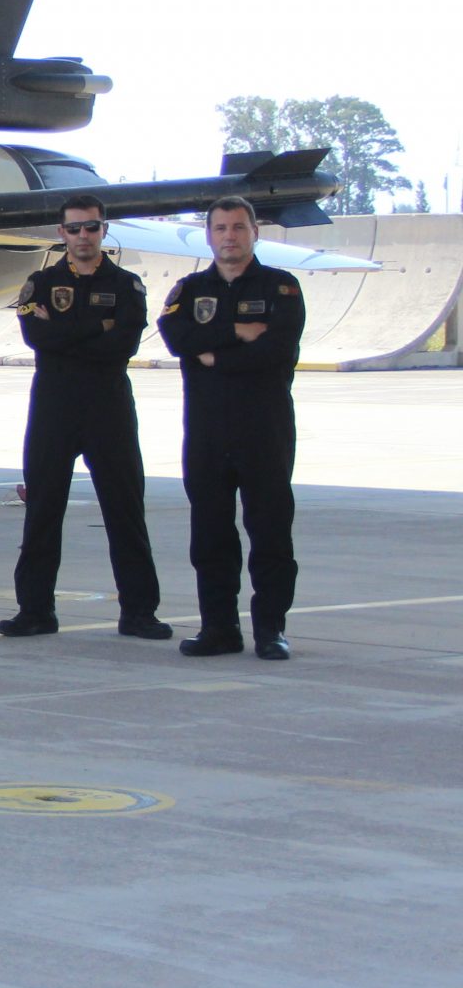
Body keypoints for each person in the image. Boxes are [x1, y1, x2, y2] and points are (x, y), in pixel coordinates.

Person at [0, 194, 171, 640]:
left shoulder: (127, 285)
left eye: (91, 227)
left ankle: (139, 612)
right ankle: (35, 610)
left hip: (108, 408)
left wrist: (64, 330)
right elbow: (37, 338)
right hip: (54, 408)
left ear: (104, 229)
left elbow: (124, 344)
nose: (83, 236)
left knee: (125, 509)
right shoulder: (40, 282)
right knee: (42, 510)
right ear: (62, 233)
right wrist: (99, 325)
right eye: (74, 228)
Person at [157, 195, 306, 660]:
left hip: (264, 431)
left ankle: (270, 630)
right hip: (207, 434)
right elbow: (176, 337)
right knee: (211, 537)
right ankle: (219, 629)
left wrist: (213, 357)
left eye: (239, 227)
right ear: (208, 236)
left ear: (255, 232)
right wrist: (237, 333)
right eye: (221, 228)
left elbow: (277, 351)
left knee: (271, 534)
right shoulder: (189, 289)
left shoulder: (281, 287)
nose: (230, 236)